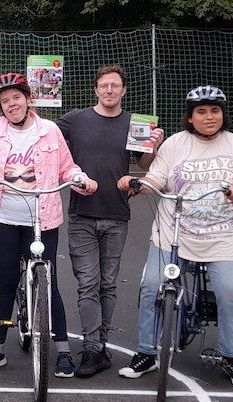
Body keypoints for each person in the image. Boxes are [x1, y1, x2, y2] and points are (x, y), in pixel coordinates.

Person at [116, 85, 233, 389]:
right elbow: (157, 177)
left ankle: (231, 356)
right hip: (175, 229)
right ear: (190, 118)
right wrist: (139, 184)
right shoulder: (175, 144)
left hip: (224, 234)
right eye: (202, 112)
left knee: (231, 291)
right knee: (152, 285)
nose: (209, 117)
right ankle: (146, 352)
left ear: (223, 114)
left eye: (215, 110)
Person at [0, 72, 97, 379]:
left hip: (42, 216)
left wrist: (79, 179)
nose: (12, 104)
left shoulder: (49, 130)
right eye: (5, 101)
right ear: (0, 106)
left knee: (48, 279)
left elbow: (68, 167)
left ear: (28, 99)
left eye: (16, 98)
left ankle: (63, 350)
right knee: (4, 281)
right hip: (1, 217)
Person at [55, 65, 164, 377]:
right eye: (104, 85)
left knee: (107, 284)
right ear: (96, 89)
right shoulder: (75, 120)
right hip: (81, 214)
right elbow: (43, 134)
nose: (109, 90)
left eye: (115, 86)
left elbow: (143, 162)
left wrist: (152, 148)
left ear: (124, 90)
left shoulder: (135, 123)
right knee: (87, 283)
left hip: (117, 214)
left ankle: (100, 345)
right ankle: (92, 347)